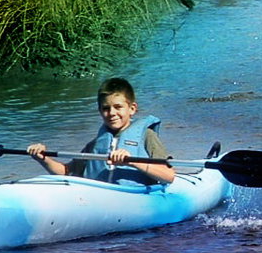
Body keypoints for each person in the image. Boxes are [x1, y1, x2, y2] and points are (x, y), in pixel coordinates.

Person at [27, 77, 176, 184]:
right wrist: (42, 158)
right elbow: (67, 172)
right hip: (101, 199)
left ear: (132, 109)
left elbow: (168, 176)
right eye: (105, 108)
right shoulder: (95, 144)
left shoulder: (147, 137)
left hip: (135, 196)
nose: (111, 113)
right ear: (99, 110)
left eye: (118, 107)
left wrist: (132, 162)